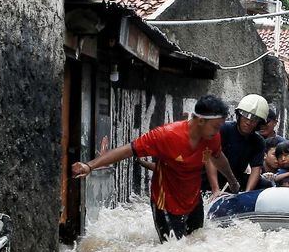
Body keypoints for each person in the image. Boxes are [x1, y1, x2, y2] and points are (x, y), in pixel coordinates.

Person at [71, 95, 239, 242]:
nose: (218, 131)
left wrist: (232, 180)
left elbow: (218, 157)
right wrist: (89, 165)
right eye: (216, 126)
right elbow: (128, 150)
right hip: (166, 203)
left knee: (196, 246)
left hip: (194, 201)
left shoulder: (212, 137)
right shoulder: (166, 135)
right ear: (201, 121)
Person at [204, 94, 268, 196]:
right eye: (245, 116)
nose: (248, 122)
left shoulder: (258, 142)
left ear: (259, 123)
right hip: (209, 176)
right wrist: (215, 189)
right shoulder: (223, 129)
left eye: (254, 119)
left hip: (235, 179)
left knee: (265, 184)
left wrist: (247, 194)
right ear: (239, 115)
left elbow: (256, 169)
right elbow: (209, 158)